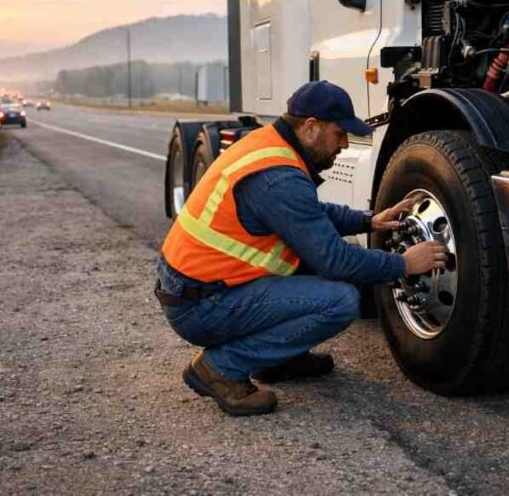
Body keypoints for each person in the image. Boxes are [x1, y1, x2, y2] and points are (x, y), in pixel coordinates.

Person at [155, 80, 447, 416]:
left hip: (198, 286)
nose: (344, 145)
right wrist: (403, 264)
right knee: (340, 301)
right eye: (339, 134)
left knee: (307, 263)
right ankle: (221, 368)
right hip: (201, 306)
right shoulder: (279, 178)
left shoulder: (269, 147)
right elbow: (336, 262)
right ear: (311, 127)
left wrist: (368, 221)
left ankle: (280, 359)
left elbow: (308, 217)